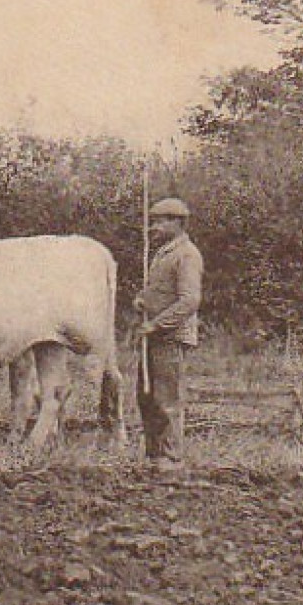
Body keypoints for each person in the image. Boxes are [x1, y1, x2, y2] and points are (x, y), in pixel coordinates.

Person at [134, 197, 204, 469]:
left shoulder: (187, 255)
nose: (154, 226)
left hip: (170, 336)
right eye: (154, 221)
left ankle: (171, 458)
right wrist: (142, 300)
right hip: (152, 335)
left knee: (167, 399)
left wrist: (157, 323)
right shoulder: (162, 253)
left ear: (179, 223)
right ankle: (154, 456)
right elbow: (158, 291)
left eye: (162, 221)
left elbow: (189, 301)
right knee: (147, 397)